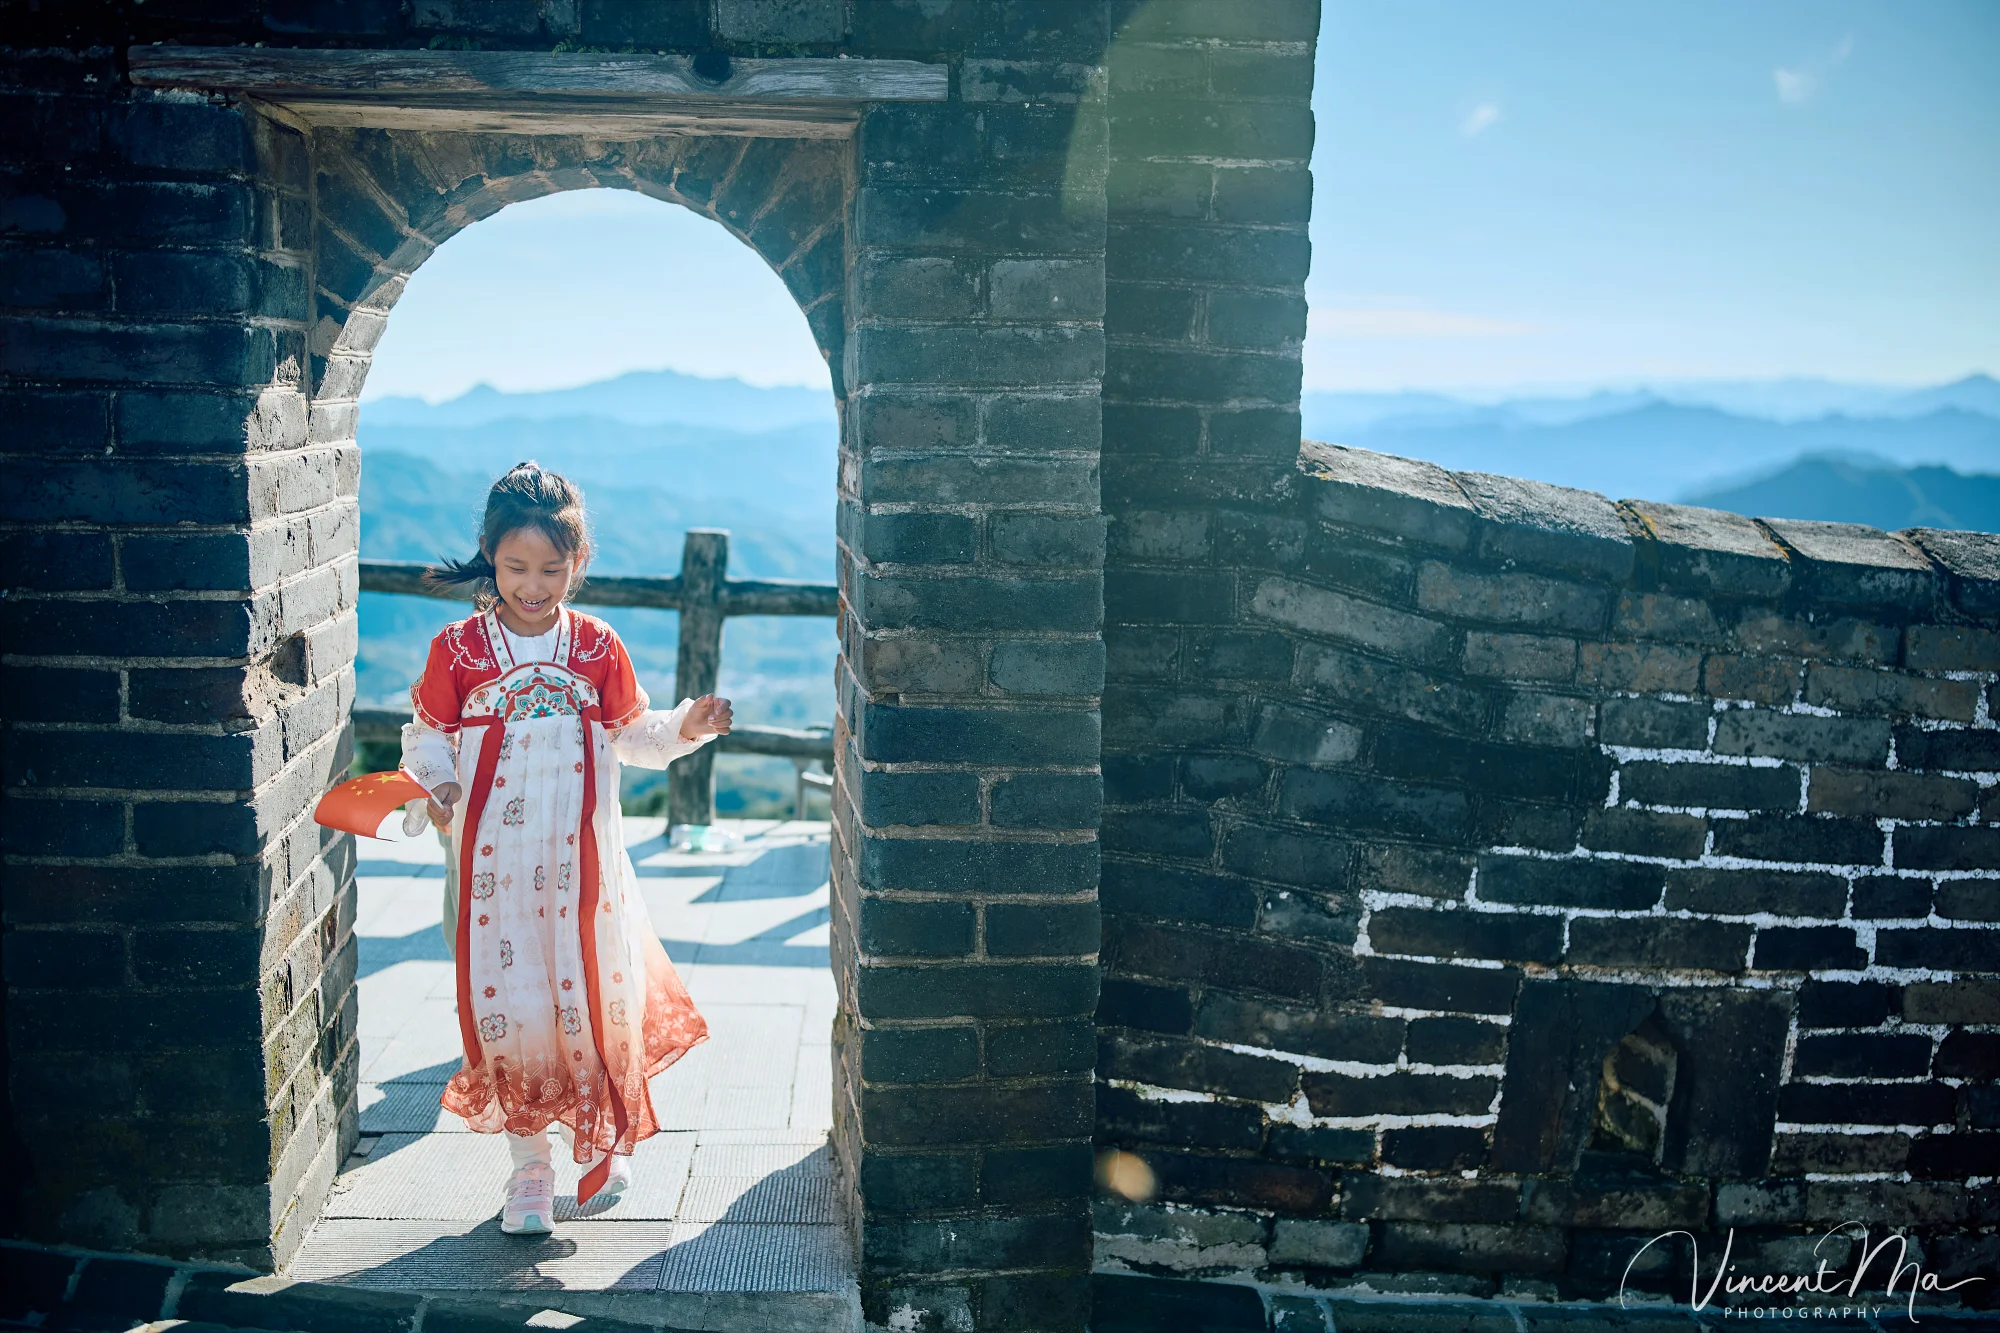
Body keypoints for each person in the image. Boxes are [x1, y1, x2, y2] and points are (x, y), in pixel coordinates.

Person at [397, 461, 731, 1236]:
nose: (533, 584)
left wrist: (685, 725)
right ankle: (529, 1169)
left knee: (595, 1000)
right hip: (495, 876)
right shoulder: (459, 651)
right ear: (490, 555)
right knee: (511, 1011)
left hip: (584, 871)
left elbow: (632, 735)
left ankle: (602, 1137)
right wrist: (439, 787)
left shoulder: (595, 646)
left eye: (552, 568)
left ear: (577, 562)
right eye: (516, 566)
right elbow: (428, 738)